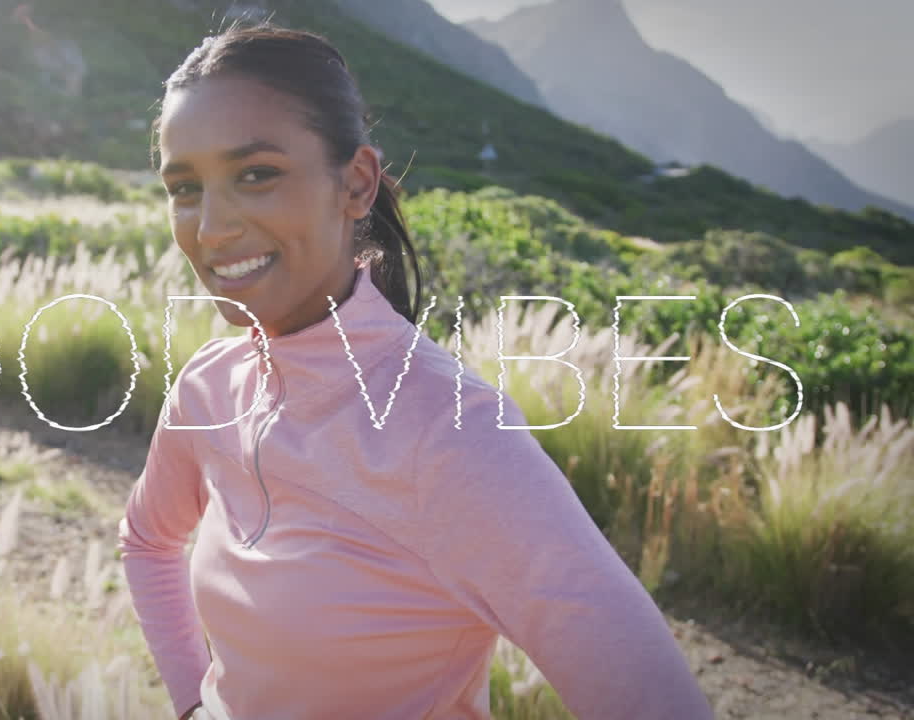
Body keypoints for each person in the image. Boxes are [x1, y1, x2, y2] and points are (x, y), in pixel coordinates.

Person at [116, 21, 714, 720]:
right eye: (185, 188)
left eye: (257, 175)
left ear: (357, 184)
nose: (211, 228)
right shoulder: (208, 386)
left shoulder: (455, 436)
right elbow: (148, 542)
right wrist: (193, 703)